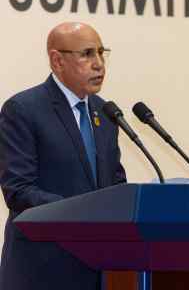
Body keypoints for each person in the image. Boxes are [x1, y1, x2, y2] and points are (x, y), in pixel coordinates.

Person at [0, 22, 126, 290]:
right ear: (57, 61)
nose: (99, 64)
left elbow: (115, 184)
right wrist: (83, 211)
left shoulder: (106, 113)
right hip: (43, 268)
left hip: (99, 270)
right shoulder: (23, 110)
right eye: (87, 54)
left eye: (102, 53)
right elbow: (18, 190)